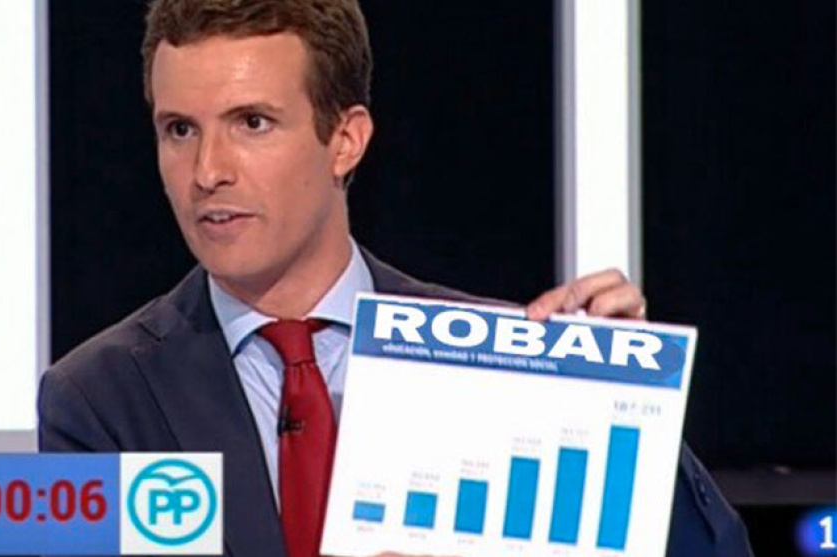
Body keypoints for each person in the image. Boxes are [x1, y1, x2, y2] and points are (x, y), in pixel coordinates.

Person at [38, 1, 753, 556]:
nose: (207, 171)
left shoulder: (498, 361)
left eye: (251, 122)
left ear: (345, 140)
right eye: (180, 130)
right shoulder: (97, 399)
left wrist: (627, 418)